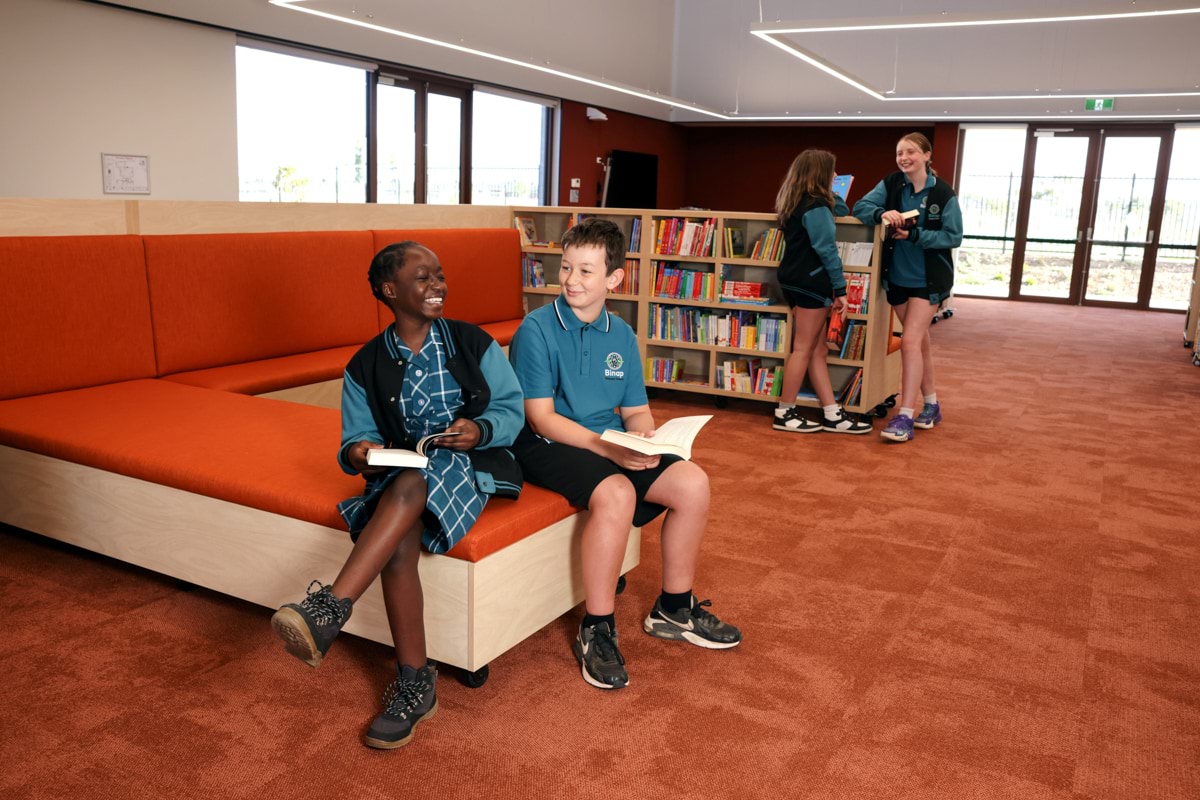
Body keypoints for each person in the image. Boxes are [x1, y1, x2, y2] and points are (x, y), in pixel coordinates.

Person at [270, 241, 524, 748]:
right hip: (403, 474)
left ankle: (331, 611)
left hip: (470, 464)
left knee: (408, 491)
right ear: (390, 290)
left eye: (440, 275)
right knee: (401, 533)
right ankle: (415, 683)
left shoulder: (472, 342)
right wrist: (360, 452)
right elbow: (353, 441)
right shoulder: (365, 364)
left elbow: (513, 411)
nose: (438, 286)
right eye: (423, 278)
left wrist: (480, 428)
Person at [508, 218, 741, 690]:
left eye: (586, 271)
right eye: (567, 267)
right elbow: (540, 418)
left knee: (693, 483)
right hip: (545, 442)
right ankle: (597, 628)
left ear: (614, 279)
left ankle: (674, 609)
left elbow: (635, 410)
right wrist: (609, 450)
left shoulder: (622, 334)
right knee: (616, 494)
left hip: (607, 440)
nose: (572, 279)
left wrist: (646, 440)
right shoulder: (535, 330)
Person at [852, 132, 963, 442]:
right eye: (900, 152)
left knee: (910, 342)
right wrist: (880, 213)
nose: (904, 158)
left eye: (911, 152)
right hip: (897, 277)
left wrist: (917, 235)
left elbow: (953, 237)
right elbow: (861, 206)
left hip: (929, 280)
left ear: (927, 156)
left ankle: (904, 416)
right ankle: (931, 405)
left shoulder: (943, 194)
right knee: (920, 342)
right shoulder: (891, 184)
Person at [772, 149, 872, 435]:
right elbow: (827, 250)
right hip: (811, 281)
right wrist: (840, 289)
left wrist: (833, 193)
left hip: (793, 278)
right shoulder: (816, 207)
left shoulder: (798, 201)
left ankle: (832, 413)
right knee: (804, 349)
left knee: (816, 350)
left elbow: (840, 210)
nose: (837, 176)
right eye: (833, 172)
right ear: (820, 174)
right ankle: (785, 411)